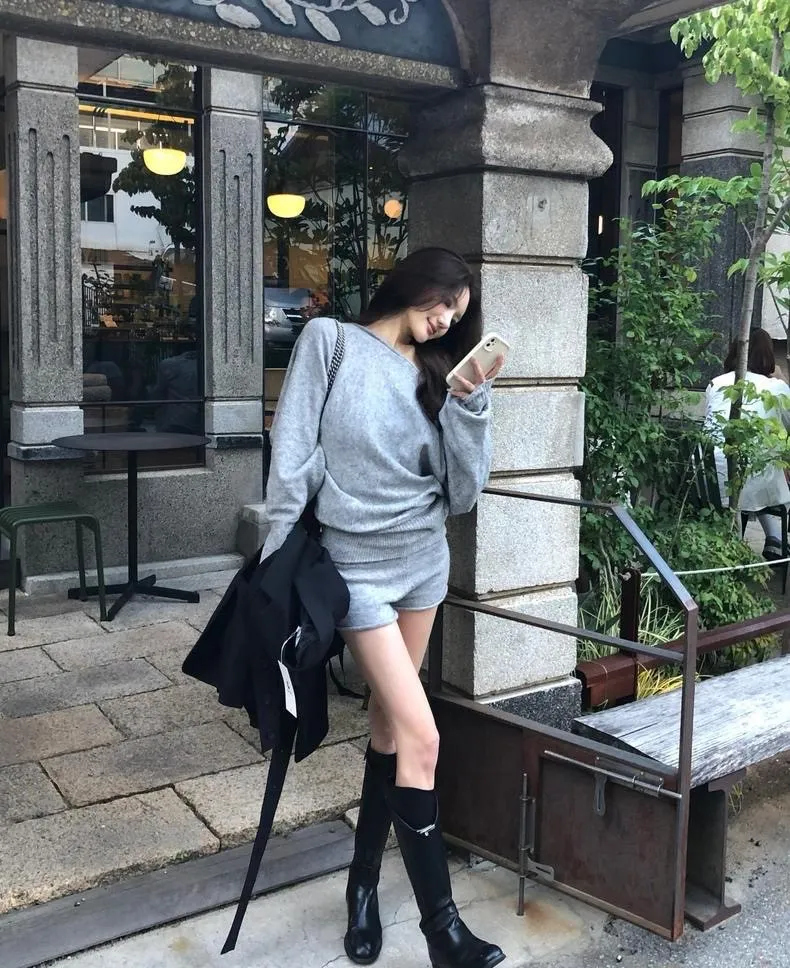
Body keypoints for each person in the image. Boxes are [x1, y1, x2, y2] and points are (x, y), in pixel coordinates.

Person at [261, 248, 506, 968]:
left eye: (458, 314)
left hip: (423, 564)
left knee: (392, 728)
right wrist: (274, 562)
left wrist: (471, 406)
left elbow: (463, 494)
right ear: (416, 284)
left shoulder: (439, 373)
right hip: (355, 573)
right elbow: (292, 454)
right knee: (423, 736)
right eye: (444, 302)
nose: (447, 320)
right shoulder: (330, 342)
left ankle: (362, 887)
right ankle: (444, 934)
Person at [705, 329, 790, 559]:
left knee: (759, 468)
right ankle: (776, 538)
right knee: (770, 466)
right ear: (767, 356)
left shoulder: (715, 383)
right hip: (752, 479)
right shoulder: (776, 388)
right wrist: (782, 379)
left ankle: (773, 539)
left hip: (710, 481)